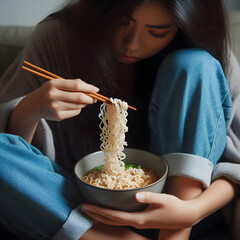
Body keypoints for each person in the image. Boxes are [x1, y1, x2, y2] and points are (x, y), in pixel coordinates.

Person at [0, 0, 239, 239]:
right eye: (122, 22)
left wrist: (192, 211)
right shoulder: (59, 37)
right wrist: (29, 108)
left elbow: (235, 163)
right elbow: (13, 156)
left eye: (157, 32)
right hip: (76, 212)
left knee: (195, 65)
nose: (132, 44)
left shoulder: (207, 59)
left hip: (178, 221)